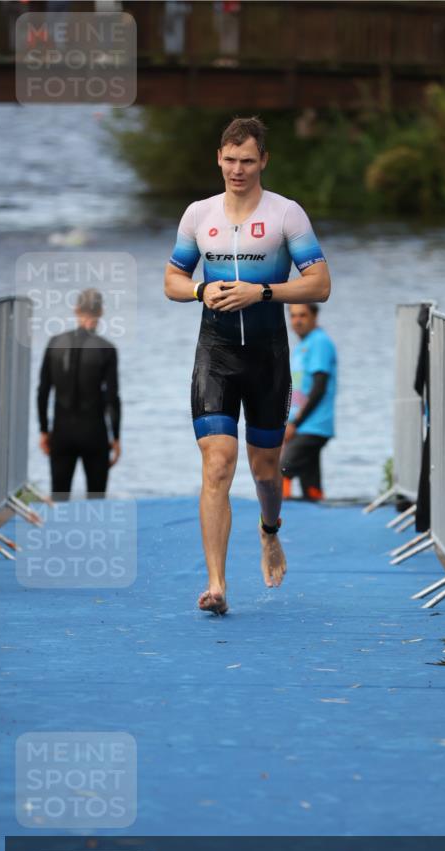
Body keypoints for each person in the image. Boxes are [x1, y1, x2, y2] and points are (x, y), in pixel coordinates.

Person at [163, 115, 331, 615]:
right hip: (215, 355)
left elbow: (320, 284)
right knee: (217, 463)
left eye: (248, 161)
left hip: (267, 357)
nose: (238, 170)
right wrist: (200, 289)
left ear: (264, 162)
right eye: (231, 160)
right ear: (218, 158)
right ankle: (216, 585)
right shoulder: (198, 214)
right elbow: (172, 280)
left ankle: (269, 530)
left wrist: (263, 292)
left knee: (265, 470)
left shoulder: (286, 214)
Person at [37, 288, 121, 500]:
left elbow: (43, 391)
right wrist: (116, 437)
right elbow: (112, 398)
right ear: (100, 312)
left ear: (76, 310)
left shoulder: (54, 343)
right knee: (96, 501)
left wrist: (44, 430)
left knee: (59, 499)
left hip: (62, 433)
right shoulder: (106, 349)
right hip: (95, 433)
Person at [281, 304, 337, 501]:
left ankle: (276, 513)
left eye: (302, 315)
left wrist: (295, 423)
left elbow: (319, 387)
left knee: (282, 469)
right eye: (293, 316)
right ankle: (317, 502)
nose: (297, 321)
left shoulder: (319, 342)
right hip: (301, 424)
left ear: (314, 316)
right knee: (310, 482)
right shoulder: (302, 346)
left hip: (312, 425)